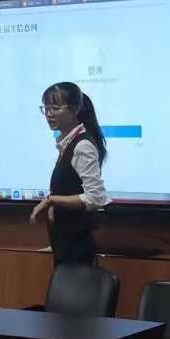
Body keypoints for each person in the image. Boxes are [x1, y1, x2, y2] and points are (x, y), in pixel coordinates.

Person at [29, 81, 109, 265]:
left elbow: (95, 198)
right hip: (64, 243)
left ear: (75, 109)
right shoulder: (66, 143)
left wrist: (51, 200)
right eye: (46, 108)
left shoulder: (83, 146)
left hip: (76, 249)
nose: (49, 114)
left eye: (56, 108)